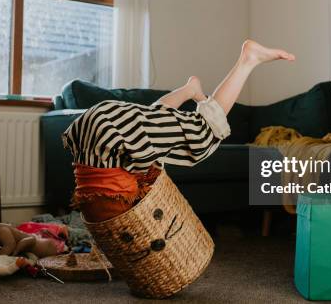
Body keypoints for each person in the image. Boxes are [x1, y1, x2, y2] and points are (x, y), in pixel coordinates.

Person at [63, 40, 295, 222]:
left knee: (199, 132)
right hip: (102, 127)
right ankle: (193, 87)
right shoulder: (122, 201)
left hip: (98, 132)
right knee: (172, 131)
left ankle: (247, 59)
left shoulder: (118, 199)